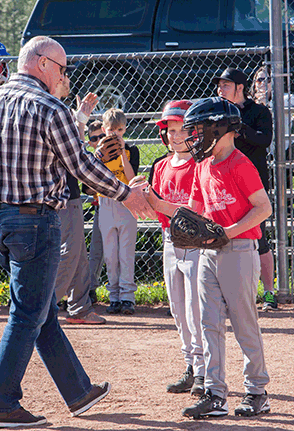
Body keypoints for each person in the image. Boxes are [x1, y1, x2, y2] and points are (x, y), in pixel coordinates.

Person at [0, 36, 155, 427]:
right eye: (62, 69)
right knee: (27, 314)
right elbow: (80, 165)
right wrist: (127, 194)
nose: (64, 77)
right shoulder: (51, 107)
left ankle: (78, 392)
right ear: (43, 64)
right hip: (36, 222)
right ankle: (3, 404)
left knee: (40, 310)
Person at [146, 97, 271, 418]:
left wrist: (228, 230)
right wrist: (157, 205)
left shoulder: (240, 164)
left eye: (199, 130)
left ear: (220, 129)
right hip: (209, 251)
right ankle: (215, 394)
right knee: (208, 322)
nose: (194, 138)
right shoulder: (202, 165)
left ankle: (257, 391)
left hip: (239, 250)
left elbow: (263, 207)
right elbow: (195, 208)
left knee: (244, 323)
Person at [151, 100, 205, 396]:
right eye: (170, 129)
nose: (173, 135)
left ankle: (204, 370)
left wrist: (161, 205)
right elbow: (156, 209)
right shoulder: (160, 166)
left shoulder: (200, 164)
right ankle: (191, 365)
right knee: (177, 309)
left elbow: (196, 209)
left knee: (195, 309)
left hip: (195, 244)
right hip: (170, 242)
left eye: (180, 128)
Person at [213, 67, 276, 310]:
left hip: (253, 185)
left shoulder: (259, 112)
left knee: (258, 238)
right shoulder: (217, 111)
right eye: (220, 85)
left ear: (240, 87)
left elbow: (264, 140)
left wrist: (239, 126)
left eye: (226, 85)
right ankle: (229, 295)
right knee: (223, 237)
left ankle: (269, 292)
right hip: (223, 183)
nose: (220, 89)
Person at [51, 70, 106, 324]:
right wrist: (80, 119)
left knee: (79, 255)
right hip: (62, 195)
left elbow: (74, 146)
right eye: (63, 77)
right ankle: (45, 305)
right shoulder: (51, 108)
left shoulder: (57, 109)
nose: (67, 82)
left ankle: (80, 307)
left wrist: (81, 119)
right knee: (70, 253)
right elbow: (73, 152)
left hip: (70, 194)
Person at [98, 108, 140, 315]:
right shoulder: (100, 151)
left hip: (126, 203)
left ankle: (127, 297)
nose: (115, 134)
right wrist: (101, 155)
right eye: (111, 130)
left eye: (120, 130)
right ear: (104, 129)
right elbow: (95, 180)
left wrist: (122, 151)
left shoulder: (132, 149)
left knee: (126, 253)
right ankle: (113, 296)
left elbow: (132, 180)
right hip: (106, 203)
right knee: (110, 254)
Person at [84, 120, 106, 301]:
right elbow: (87, 189)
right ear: (90, 142)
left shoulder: (124, 151)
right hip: (101, 207)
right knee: (96, 250)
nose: (99, 140)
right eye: (94, 138)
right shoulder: (90, 159)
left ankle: (123, 293)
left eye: (102, 136)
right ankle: (90, 288)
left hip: (122, 208)